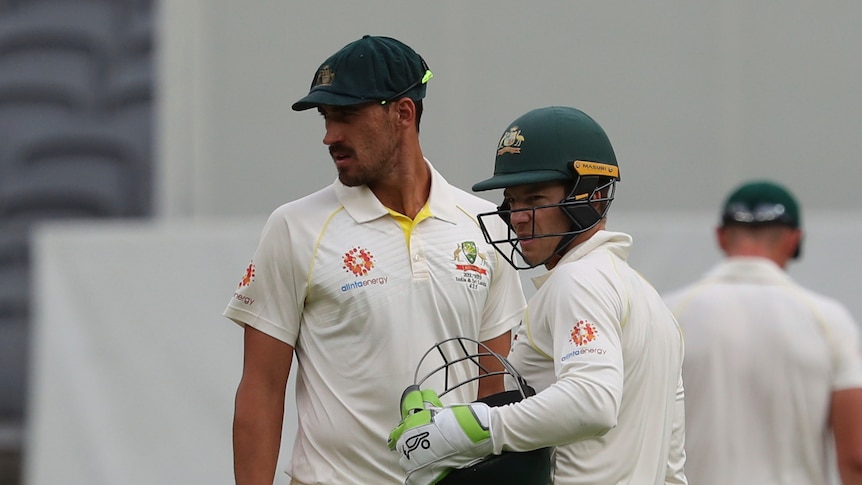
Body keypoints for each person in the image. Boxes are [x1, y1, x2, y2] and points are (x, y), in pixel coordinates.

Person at [223, 35, 526, 485]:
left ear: (402, 113)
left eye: (345, 116)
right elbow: (261, 391)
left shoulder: (483, 223)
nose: (330, 136)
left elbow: (492, 391)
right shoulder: (293, 227)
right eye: (326, 118)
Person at [389, 106, 687, 484]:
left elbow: (593, 403)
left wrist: (467, 428)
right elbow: (673, 467)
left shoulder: (577, 281)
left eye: (535, 200)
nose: (517, 217)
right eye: (512, 201)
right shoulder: (650, 302)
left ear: (592, 197)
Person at [663, 180, 862, 485]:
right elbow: (855, 458)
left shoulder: (668, 314)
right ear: (795, 240)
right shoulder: (830, 322)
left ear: (720, 236)